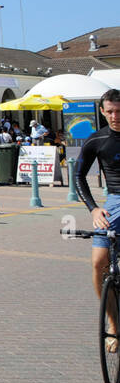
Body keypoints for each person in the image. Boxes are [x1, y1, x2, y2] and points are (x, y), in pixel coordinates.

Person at [74, 90, 120, 351]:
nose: (115, 116)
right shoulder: (97, 139)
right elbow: (79, 176)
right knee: (98, 263)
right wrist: (93, 209)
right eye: (110, 111)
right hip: (114, 201)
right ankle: (114, 324)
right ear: (102, 111)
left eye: (119, 110)